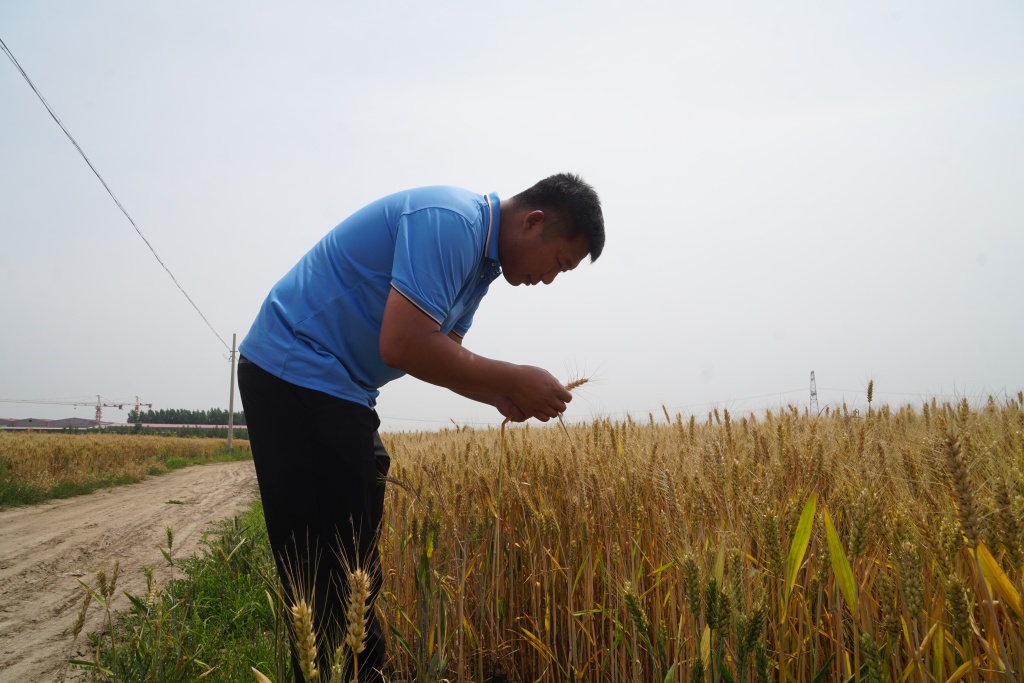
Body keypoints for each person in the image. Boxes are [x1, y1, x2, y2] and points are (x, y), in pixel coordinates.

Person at [237, 172, 605, 682]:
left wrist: (498, 394)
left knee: (353, 559)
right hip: (296, 372)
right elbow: (404, 345)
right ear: (533, 222)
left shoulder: (482, 265)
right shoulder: (451, 224)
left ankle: (354, 673)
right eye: (559, 263)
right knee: (326, 568)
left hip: (338, 388)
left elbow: (442, 355)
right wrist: (515, 376)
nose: (550, 279)